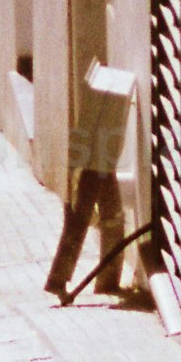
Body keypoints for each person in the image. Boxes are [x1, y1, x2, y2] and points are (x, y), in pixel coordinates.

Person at [46, 58, 135, 301]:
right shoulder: (107, 95)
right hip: (95, 165)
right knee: (85, 221)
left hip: (97, 162)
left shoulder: (102, 90)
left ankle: (105, 280)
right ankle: (62, 280)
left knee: (111, 220)